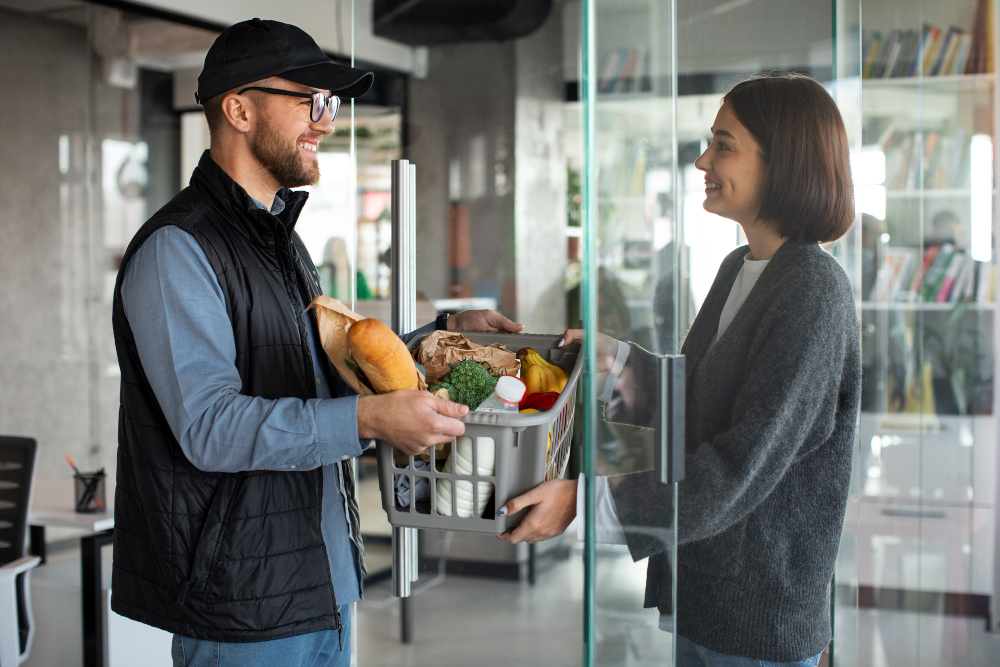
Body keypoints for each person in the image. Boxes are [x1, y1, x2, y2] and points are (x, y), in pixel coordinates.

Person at [110, 19, 523, 667]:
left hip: (320, 580)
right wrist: (367, 419)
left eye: (327, 104)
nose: (325, 121)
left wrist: (443, 338)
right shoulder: (178, 249)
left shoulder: (281, 240)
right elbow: (210, 427)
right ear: (239, 109)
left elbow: (323, 371)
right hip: (241, 606)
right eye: (308, 100)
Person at [498, 74, 861, 667]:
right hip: (706, 597)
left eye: (724, 144)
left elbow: (740, 464)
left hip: (757, 624)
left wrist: (587, 505)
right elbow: (699, 398)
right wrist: (621, 365)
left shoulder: (813, 291)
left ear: (782, 162)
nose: (702, 161)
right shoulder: (740, 266)